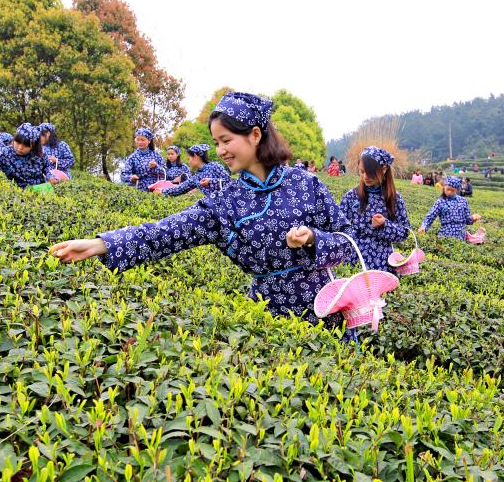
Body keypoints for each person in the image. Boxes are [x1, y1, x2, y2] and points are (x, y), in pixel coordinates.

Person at [50, 91, 353, 325]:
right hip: (270, 318)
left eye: (226, 140)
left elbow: (346, 242)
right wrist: (100, 244)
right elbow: (165, 233)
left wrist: (314, 239)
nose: (220, 151)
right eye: (216, 142)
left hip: (326, 307)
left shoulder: (305, 184)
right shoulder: (226, 202)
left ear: (255, 135)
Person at [339, 146, 410, 273]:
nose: (365, 177)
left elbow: (404, 232)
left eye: (370, 173)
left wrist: (385, 225)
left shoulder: (394, 198)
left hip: (381, 262)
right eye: (362, 172)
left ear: (384, 169)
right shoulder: (351, 196)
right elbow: (339, 227)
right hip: (353, 260)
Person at [0, 123, 56, 188]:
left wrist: (50, 176)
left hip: (40, 190)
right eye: (17, 143)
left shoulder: (39, 154)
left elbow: (48, 166)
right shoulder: (6, 153)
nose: (20, 147)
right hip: (17, 193)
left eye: (25, 145)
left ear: (33, 146)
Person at [418, 176, 482, 240]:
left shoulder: (463, 201)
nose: (449, 192)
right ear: (444, 187)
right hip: (445, 236)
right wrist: (424, 227)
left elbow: (467, 221)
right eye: (448, 189)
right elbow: (430, 216)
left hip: (461, 237)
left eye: (452, 190)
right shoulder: (440, 201)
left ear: (457, 190)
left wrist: (473, 218)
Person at [161, 144, 230, 196]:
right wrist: (162, 191)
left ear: (195, 156)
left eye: (189, 158)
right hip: (214, 204)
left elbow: (230, 182)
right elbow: (180, 188)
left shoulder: (215, 166)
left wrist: (211, 182)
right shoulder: (197, 176)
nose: (188, 161)